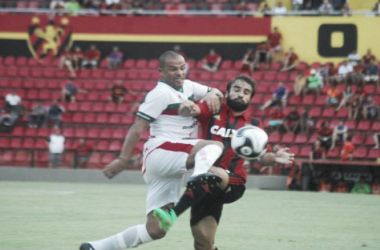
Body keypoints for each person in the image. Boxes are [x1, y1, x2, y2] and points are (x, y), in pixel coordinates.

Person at [79, 51, 224, 250]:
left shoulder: (189, 86)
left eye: (182, 67)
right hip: (162, 152)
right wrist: (123, 160)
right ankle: (198, 176)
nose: (179, 72)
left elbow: (216, 91)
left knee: (156, 230)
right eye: (173, 69)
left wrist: (214, 95)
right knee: (214, 146)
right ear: (161, 72)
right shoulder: (159, 94)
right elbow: (137, 127)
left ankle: (97, 247)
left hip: (174, 162)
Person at [153, 75, 294, 250]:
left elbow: (262, 156)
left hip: (232, 182)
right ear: (227, 92)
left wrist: (274, 158)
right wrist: (185, 107)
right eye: (236, 89)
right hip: (202, 187)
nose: (240, 94)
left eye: (246, 92)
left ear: (251, 97)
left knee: (208, 172)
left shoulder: (254, 126)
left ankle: (172, 215)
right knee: (203, 243)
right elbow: (191, 111)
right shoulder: (213, 110)